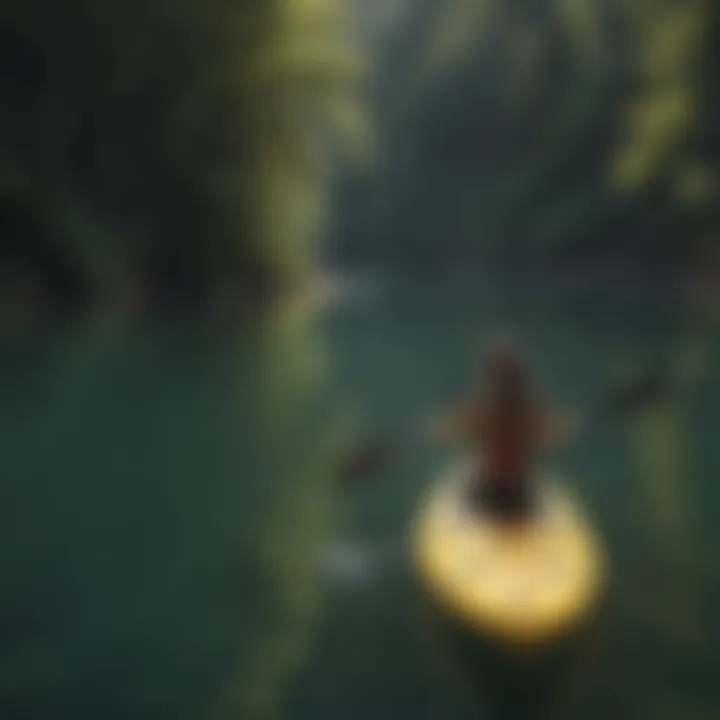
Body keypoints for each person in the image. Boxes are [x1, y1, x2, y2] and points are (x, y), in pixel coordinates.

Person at [429, 340, 580, 522]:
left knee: (475, 480)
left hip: (490, 491)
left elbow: (446, 431)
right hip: (518, 492)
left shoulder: (483, 410)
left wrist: (436, 427)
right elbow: (559, 434)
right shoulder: (531, 411)